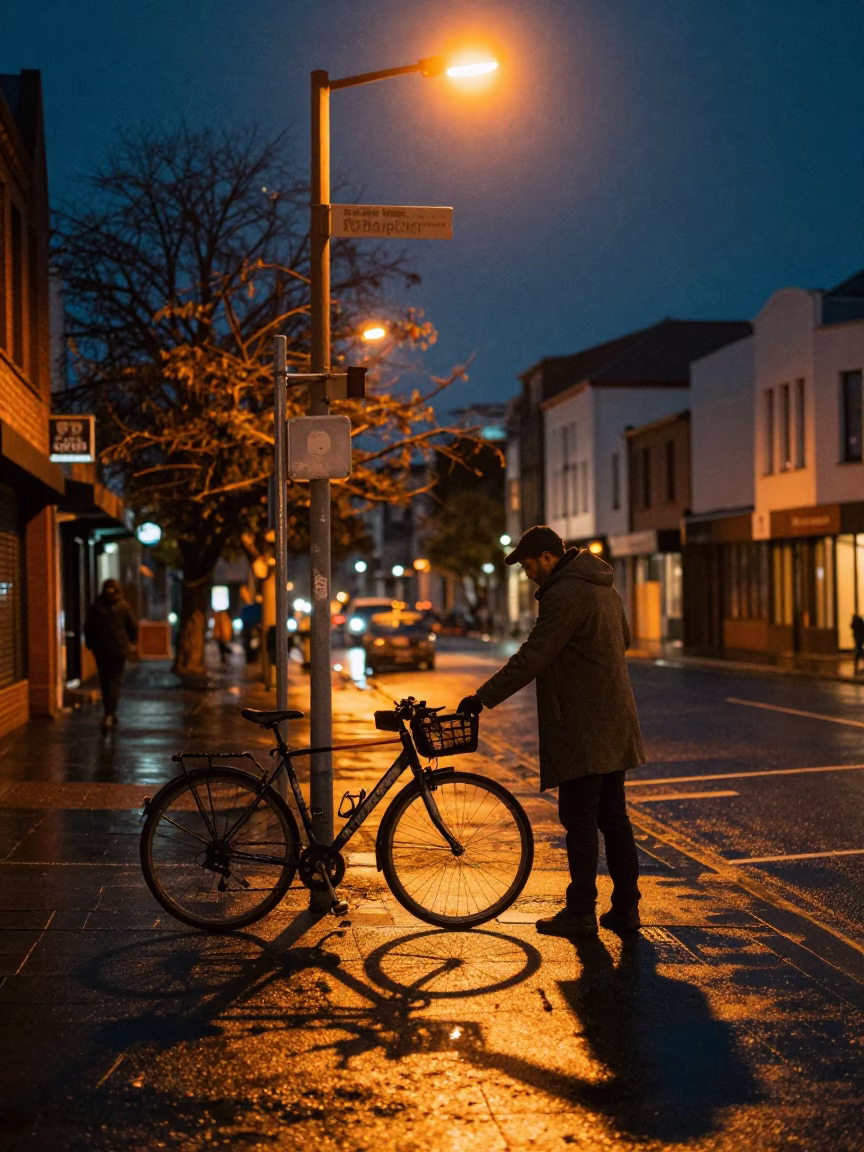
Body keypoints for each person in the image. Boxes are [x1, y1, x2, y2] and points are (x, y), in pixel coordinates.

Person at [457, 525, 645, 940]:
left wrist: (483, 697)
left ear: (546, 558)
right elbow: (625, 640)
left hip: (583, 725)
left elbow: (534, 655)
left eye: (526, 565)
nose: (526, 574)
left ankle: (580, 913)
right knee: (613, 817)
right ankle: (626, 908)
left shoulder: (564, 594)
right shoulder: (604, 588)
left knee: (578, 819)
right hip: (614, 721)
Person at [84, 579, 138, 732]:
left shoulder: (95, 607)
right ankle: (110, 713)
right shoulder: (124, 607)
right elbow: (132, 627)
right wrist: (132, 641)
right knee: (115, 681)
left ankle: (109, 711)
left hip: (100, 649)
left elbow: (88, 627)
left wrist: (89, 643)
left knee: (104, 680)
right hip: (118, 650)